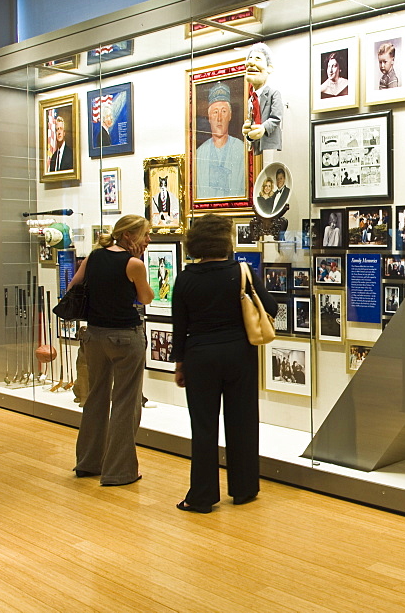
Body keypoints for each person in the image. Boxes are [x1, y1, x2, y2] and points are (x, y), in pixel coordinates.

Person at [171, 215, 278, 513]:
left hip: (199, 356)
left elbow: (179, 326)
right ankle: (244, 489)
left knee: (204, 427)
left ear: (195, 244)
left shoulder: (186, 277)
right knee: (242, 421)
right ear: (225, 241)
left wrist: (180, 365)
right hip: (239, 354)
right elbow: (271, 307)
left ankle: (202, 496)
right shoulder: (240, 271)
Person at [69, 214, 153, 486]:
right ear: (129, 236)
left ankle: (88, 462)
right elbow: (146, 297)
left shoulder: (94, 257)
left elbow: (73, 286)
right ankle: (118, 471)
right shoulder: (133, 263)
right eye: (145, 234)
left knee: (95, 398)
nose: (148, 240)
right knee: (126, 403)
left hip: (94, 336)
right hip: (126, 338)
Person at [195, 82, 245, 199]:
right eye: (215, 112)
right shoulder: (200, 153)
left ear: (230, 115)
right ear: (209, 117)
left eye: (223, 111)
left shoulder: (241, 149)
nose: (219, 118)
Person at [242, 42, 283, 155]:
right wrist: (248, 133)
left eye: (258, 59)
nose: (250, 62)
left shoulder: (273, 93)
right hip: (258, 149)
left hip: (271, 146)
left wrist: (263, 128)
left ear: (269, 68)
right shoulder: (251, 100)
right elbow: (252, 120)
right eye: (250, 58)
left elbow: (276, 118)